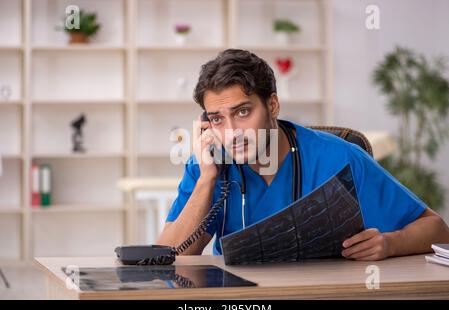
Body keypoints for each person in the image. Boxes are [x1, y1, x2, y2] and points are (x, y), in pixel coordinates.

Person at [157, 49, 449, 261]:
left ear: (272, 105)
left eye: (243, 111)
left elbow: (438, 230)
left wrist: (391, 243)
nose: (232, 132)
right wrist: (208, 179)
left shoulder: (340, 157)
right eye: (217, 119)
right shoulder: (208, 164)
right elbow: (169, 256)